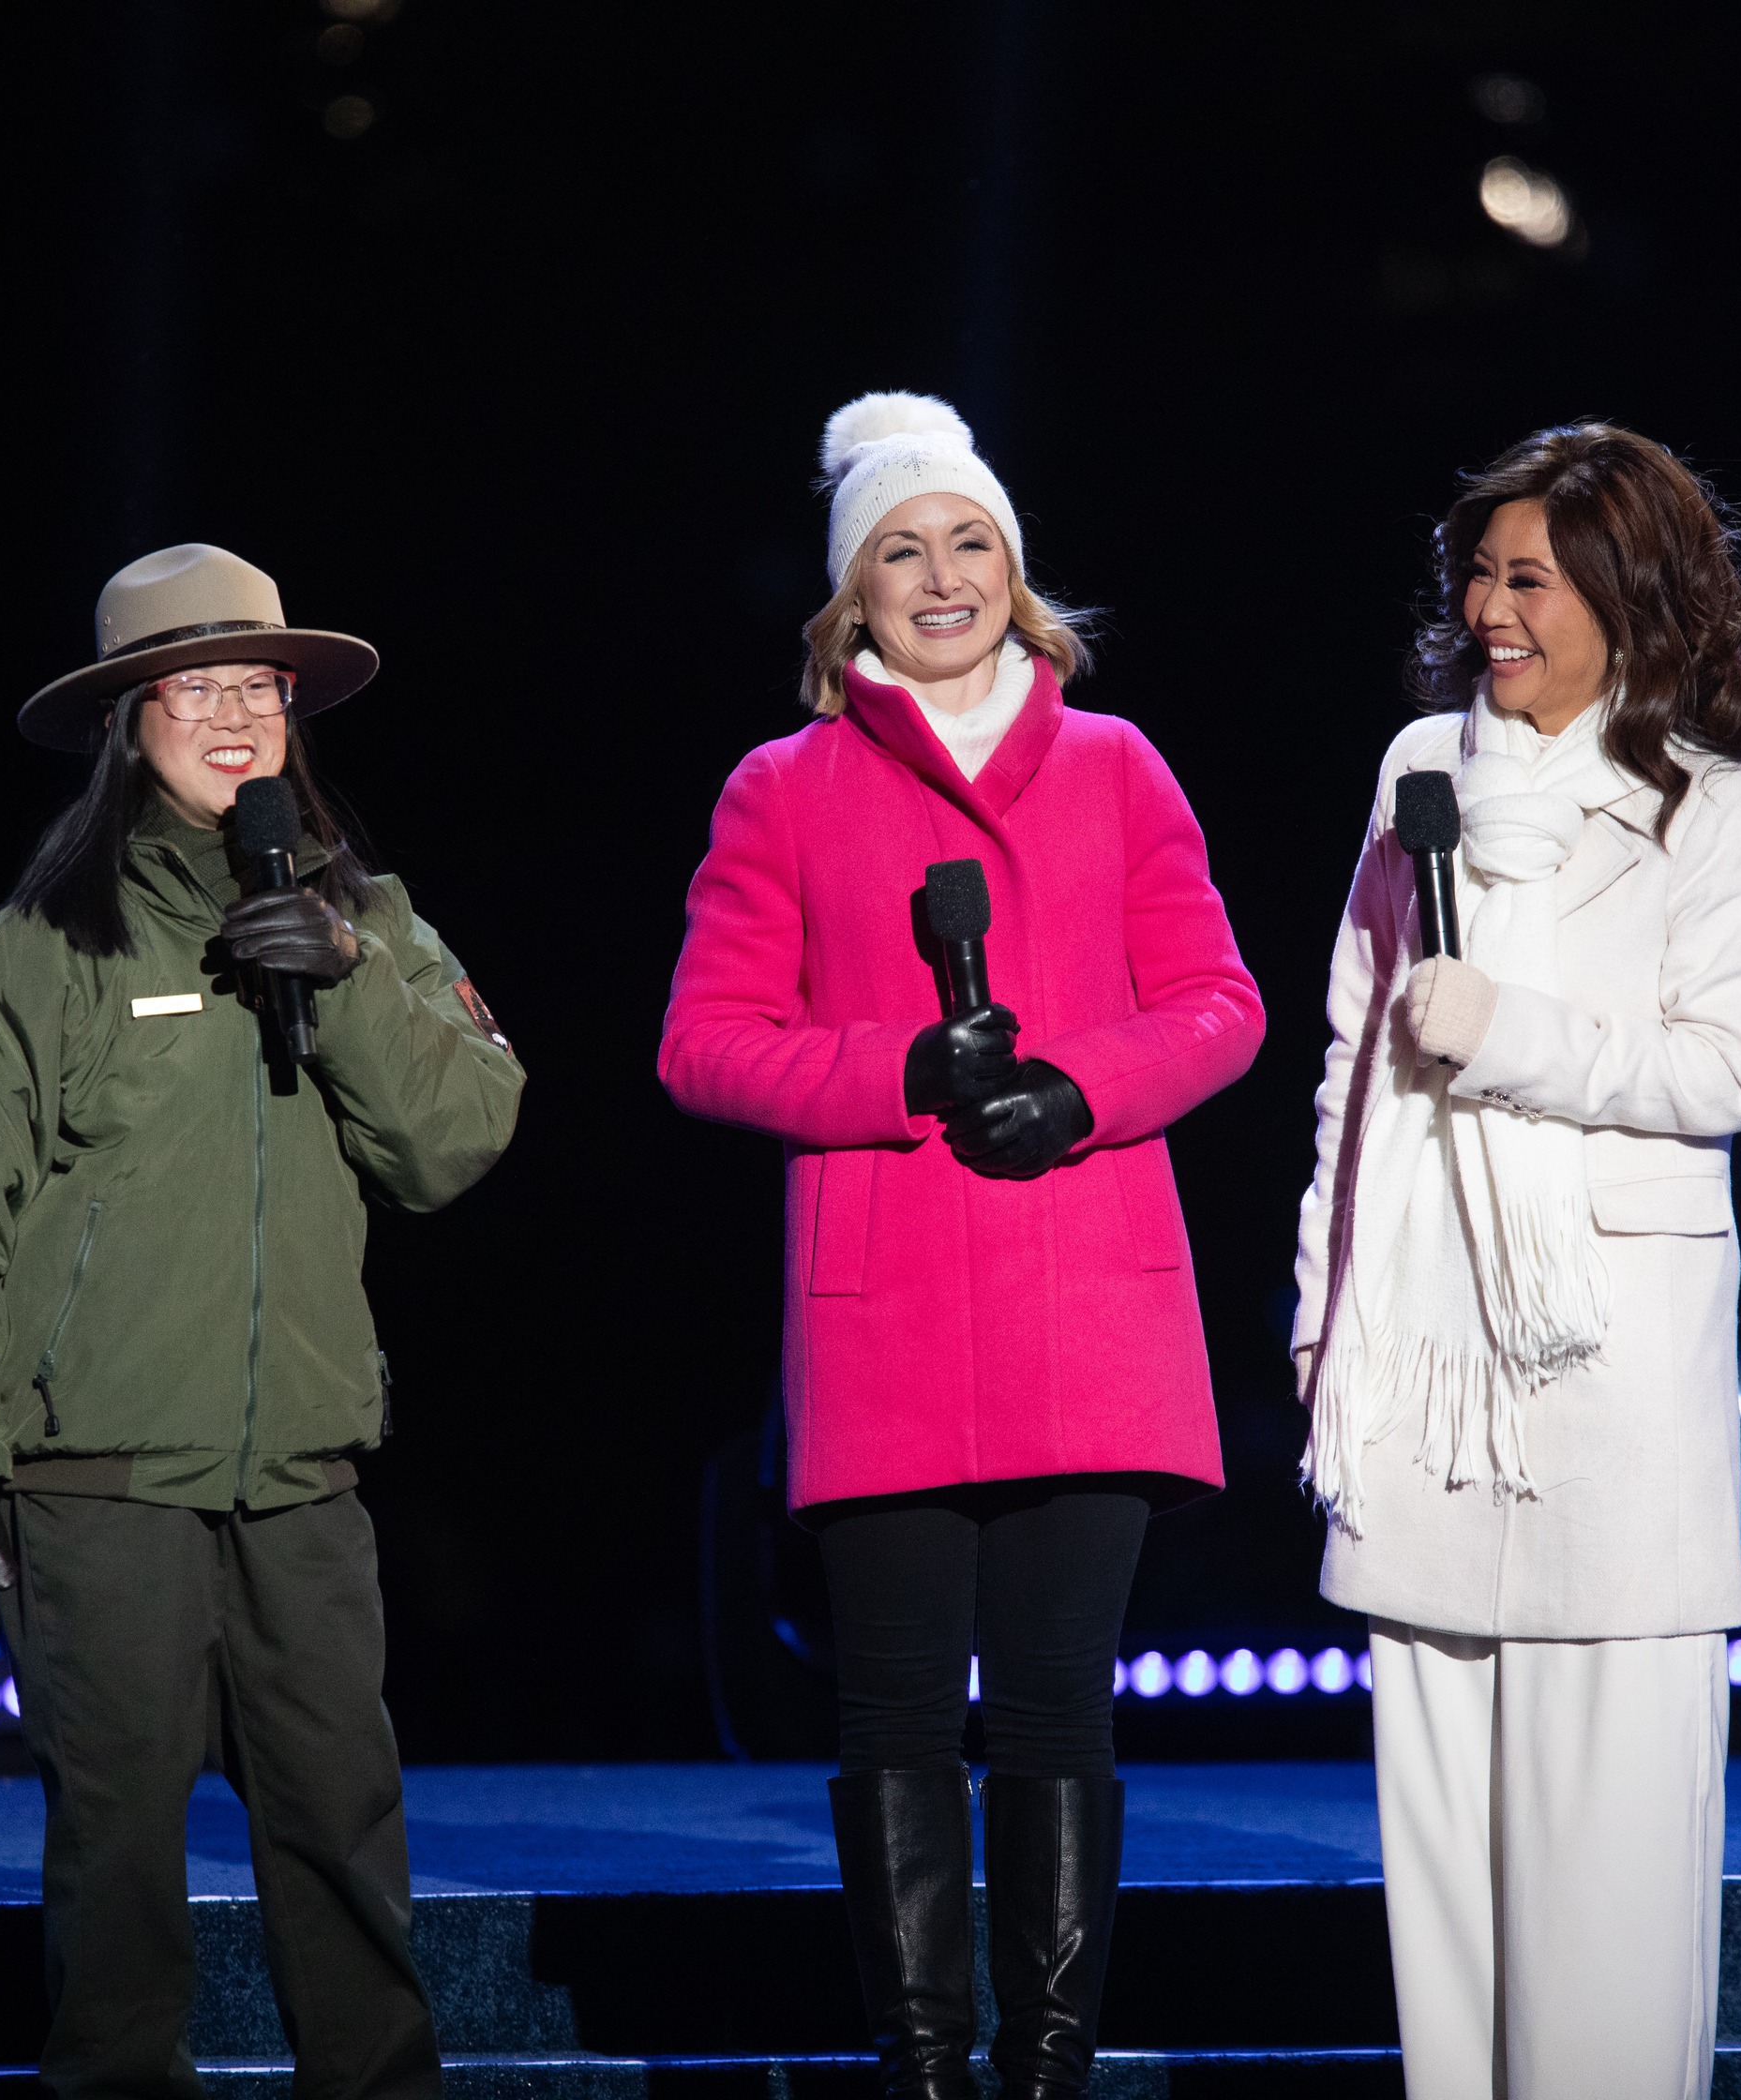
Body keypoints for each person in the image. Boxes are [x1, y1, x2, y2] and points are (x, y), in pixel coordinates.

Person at [660, 394, 1263, 2098]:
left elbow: (1221, 1004)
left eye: (971, 544)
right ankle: (924, 2069)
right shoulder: (784, 789)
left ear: (1017, 567)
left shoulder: (1119, 763)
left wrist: (1078, 1090)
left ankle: (1048, 2069)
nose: (943, 577)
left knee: (1065, 1704)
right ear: (848, 600)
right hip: (893, 1313)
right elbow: (704, 1044)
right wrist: (897, 1071)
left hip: (1093, 1293)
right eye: (901, 552)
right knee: (900, 1713)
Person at [0, 543, 522, 2100]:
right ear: (128, 722)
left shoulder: (373, 919)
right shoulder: (38, 954)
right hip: (96, 1488)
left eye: (260, 689)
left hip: (300, 1474)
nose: (233, 719)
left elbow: (456, 1147)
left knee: (345, 1841)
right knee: (120, 1870)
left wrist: (350, 979)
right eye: (192, 690)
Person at [1289, 425, 1741, 2097]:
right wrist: (1324, 1313)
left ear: (1625, 595)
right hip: (1428, 1375)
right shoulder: (1415, 776)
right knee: (1445, 1883)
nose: (1489, 606)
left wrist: (1514, 1034)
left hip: (1606, 1378)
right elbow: (1354, 1066)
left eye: (1530, 576)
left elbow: (1721, 1072)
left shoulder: (1715, 816)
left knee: (1609, 1897)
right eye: (1483, 573)